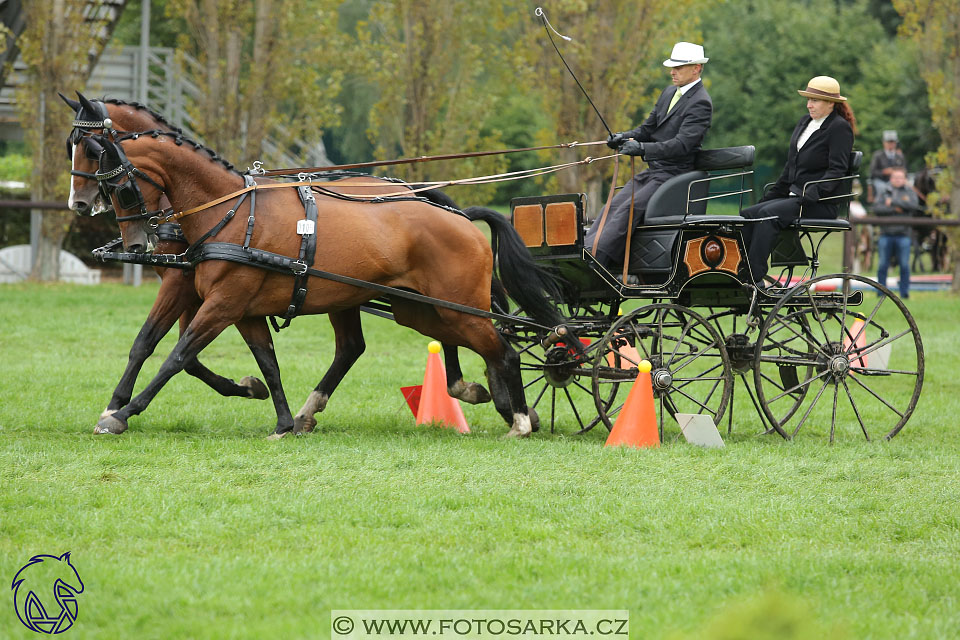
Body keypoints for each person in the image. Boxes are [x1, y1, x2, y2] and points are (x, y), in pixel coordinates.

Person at [585, 41, 713, 276]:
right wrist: (623, 137)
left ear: (697, 68)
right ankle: (586, 252)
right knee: (613, 205)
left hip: (675, 175)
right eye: (672, 67)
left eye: (679, 67)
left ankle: (599, 261)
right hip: (654, 171)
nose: (672, 72)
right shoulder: (668, 93)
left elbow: (683, 145)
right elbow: (647, 128)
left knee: (629, 210)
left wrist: (643, 149)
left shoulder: (701, 103)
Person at [740, 75, 856, 286]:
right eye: (808, 99)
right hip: (796, 198)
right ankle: (739, 269)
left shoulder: (839, 128)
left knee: (767, 214)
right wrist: (771, 195)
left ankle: (753, 277)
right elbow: (790, 167)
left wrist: (813, 193)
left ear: (831, 103)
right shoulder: (805, 122)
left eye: (815, 100)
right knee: (749, 214)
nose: (809, 104)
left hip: (819, 203)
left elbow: (837, 169)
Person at [873, 166, 920, 298]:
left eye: (900, 177)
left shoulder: (910, 192)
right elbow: (877, 208)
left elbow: (913, 206)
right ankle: (880, 292)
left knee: (904, 266)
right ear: (891, 179)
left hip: (903, 235)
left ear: (905, 179)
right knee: (882, 265)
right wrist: (898, 209)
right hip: (885, 234)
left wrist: (892, 202)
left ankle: (904, 294)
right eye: (895, 177)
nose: (898, 180)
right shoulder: (884, 191)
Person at [868, 130, 906, 203]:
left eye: (892, 142)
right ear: (884, 143)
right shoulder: (877, 155)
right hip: (881, 180)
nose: (890, 144)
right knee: (883, 188)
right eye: (888, 142)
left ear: (895, 143)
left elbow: (904, 170)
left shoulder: (900, 156)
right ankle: (881, 206)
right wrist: (884, 172)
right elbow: (872, 172)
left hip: (897, 180)